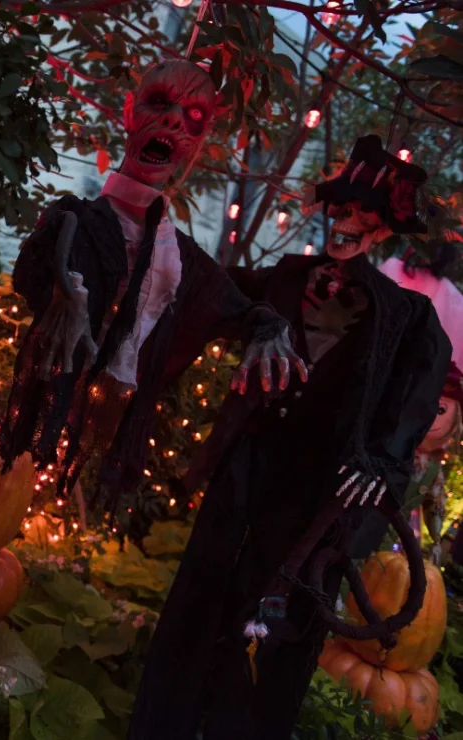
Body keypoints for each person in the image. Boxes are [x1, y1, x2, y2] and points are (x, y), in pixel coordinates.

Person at [130, 135, 451, 740]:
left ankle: (239, 729)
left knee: (275, 621)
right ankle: (165, 723)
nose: (346, 223)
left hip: (318, 493)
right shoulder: (285, 276)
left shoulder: (406, 317)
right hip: (248, 465)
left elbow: (408, 411)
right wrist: (153, 232)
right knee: (203, 589)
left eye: (363, 215)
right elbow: (214, 291)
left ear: (383, 230)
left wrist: (379, 467)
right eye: (341, 209)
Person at [0, 59, 305, 514]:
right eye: (159, 103)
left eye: (194, 118)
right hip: (52, 396)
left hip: (110, 412)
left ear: (198, 142)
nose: (174, 121)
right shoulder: (74, 220)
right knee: (17, 486)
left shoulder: (179, 255)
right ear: (129, 111)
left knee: (69, 503)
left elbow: (238, 308)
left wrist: (269, 328)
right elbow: (34, 274)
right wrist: (62, 291)